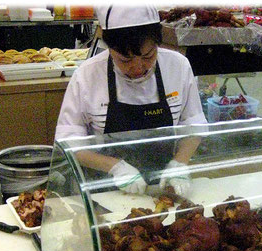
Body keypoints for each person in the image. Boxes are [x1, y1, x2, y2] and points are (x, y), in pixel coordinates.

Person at [56, 5, 207, 196]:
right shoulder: (86, 76)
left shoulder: (178, 66)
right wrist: (115, 167)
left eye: (148, 56)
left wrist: (180, 163)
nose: (138, 68)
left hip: (163, 187)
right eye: (125, 60)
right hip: (105, 191)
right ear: (109, 48)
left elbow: (193, 124)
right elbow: (68, 142)